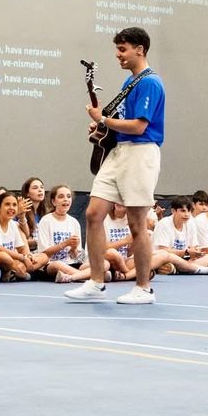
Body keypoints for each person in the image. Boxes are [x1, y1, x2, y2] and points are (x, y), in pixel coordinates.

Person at [69, 26, 163, 305]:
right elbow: (119, 123)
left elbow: (139, 126)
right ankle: (96, 281)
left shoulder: (150, 82)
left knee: (137, 223)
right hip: (119, 151)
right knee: (93, 213)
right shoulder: (129, 82)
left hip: (141, 153)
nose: (118, 55)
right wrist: (103, 127)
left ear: (140, 50)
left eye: (123, 49)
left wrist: (103, 119)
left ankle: (144, 288)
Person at [0, 188, 45, 281]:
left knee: (44, 257)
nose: (11, 208)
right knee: (4, 256)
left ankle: (17, 272)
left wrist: (28, 256)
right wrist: (23, 258)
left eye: (14, 205)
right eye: (7, 204)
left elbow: (21, 248)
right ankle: (19, 271)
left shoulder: (13, 224)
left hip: (13, 260)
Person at [36, 185, 88, 282]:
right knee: (58, 265)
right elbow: (44, 253)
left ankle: (73, 277)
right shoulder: (46, 221)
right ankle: (87, 276)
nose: (65, 199)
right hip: (51, 264)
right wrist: (64, 244)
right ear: (53, 202)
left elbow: (75, 256)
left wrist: (73, 248)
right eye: (61, 196)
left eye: (68, 196)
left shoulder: (74, 222)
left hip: (71, 264)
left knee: (104, 264)